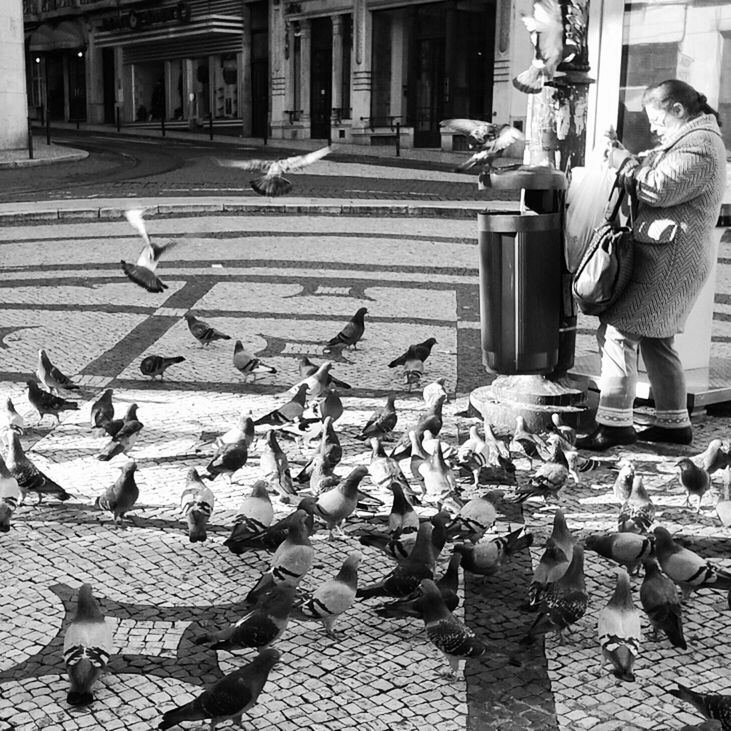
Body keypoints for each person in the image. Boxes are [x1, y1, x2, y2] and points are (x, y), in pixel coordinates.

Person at [576, 79, 727, 451]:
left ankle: (613, 424)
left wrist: (623, 162)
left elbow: (658, 188)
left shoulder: (702, 145)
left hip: (670, 259)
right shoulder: (694, 140)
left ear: (677, 109)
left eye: (656, 118)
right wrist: (626, 155)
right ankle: (674, 425)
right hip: (672, 255)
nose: (653, 126)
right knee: (658, 341)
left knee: (618, 333)